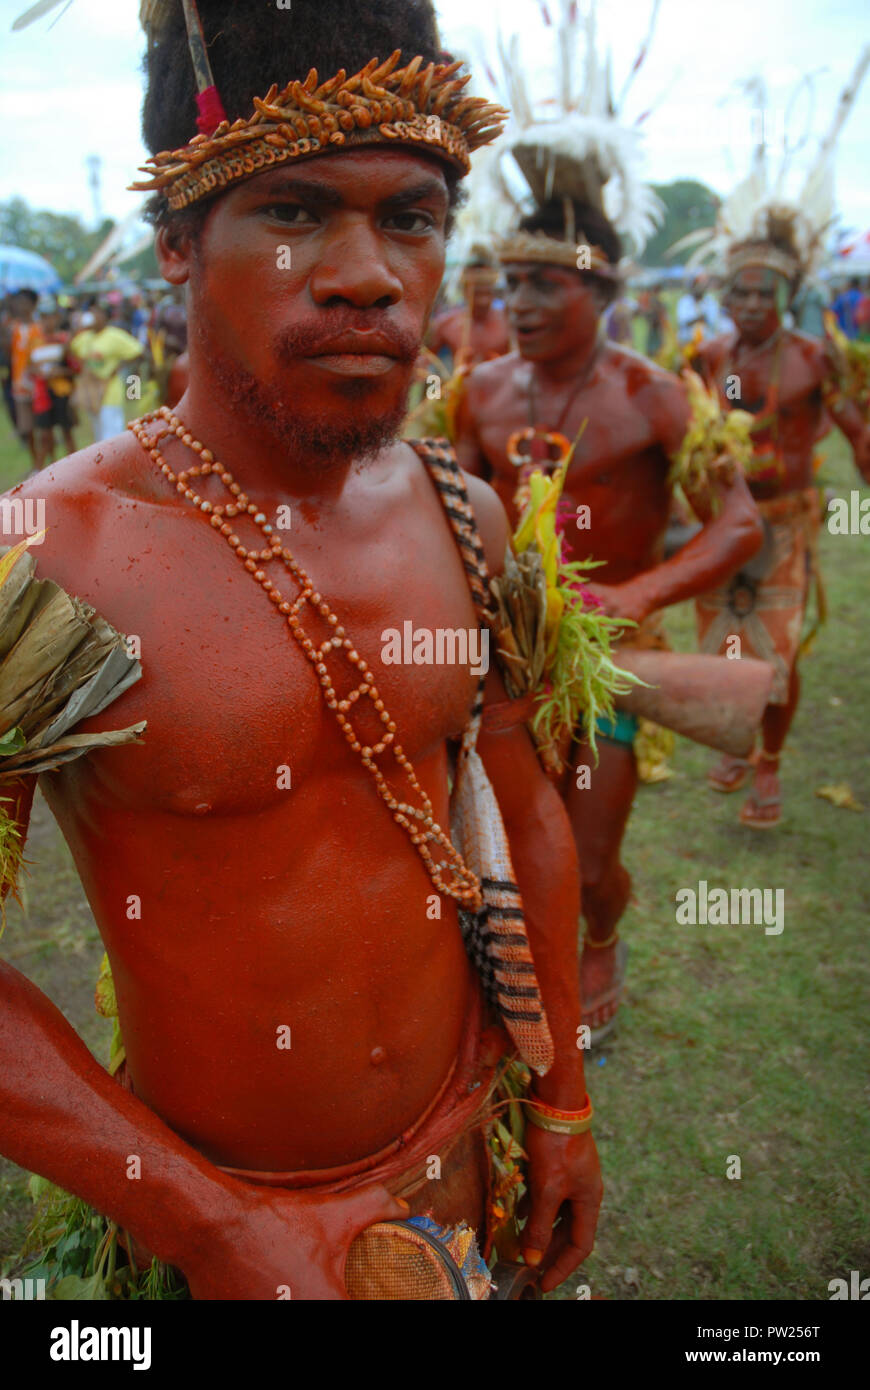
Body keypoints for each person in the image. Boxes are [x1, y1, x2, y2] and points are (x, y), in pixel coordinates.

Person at [0, 0, 601, 1301]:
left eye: (410, 218)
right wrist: (217, 1231)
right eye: (290, 212)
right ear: (174, 241)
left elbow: (523, 805)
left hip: (463, 1165)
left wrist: (557, 1101)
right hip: (220, 1230)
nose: (365, 273)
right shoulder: (45, 554)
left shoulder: (464, 510)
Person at [455, 196, 763, 1040]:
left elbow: (738, 524)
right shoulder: (477, 390)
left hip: (613, 660)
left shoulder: (656, 396)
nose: (519, 303)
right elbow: (449, 511)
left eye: (546, 284)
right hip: (503, 656)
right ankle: (517, 976)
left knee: (588, 864)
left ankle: (602, 936)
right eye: (513, 282)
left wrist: (636, 597)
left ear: (602, 293)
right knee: (501, 849)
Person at [691, 251, 870, 827]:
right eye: (739, 294)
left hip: (789, 521)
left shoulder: (814, 358)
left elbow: (856, 431)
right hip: (726, 524)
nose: (750, 305)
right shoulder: (714, 357)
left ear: (786, 298)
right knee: (726, 644)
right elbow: (690, 435)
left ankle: (768, 761)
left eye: (764, 295)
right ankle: (738, 741)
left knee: (778, 653)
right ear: (724, 299)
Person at [428, 249, 511, 370]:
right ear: (465, 290)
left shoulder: (510, 321)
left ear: (493, 289)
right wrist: (436, 388)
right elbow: (426, 366)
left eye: (486, 290)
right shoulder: (446, 324)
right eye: (476, 291)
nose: (482, 297)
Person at [70, 304, 143, 442]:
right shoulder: (83, 337)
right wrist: (77, 328)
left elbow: (138, 353)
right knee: (98, 433)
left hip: (110, 391)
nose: (94, 317)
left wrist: (118, 368)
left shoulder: (114, 335)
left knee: (112, 435)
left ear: (105, 317)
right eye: (92, 313)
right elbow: (70, 350)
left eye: (98, 314)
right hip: (92, 392)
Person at [30, 304, 79, 468]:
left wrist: (59, 371)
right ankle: (47, 470)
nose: (46, 322)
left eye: (49, 317)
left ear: (56, 318)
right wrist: (38, 372)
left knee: (66, 432)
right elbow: (30, 367)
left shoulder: (65, 340)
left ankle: (75, 468)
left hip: (62, 392)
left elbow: (75, 368)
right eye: (43, 318)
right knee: (45, 435)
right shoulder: (36, 341)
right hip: (43, 394)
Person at [4, 288, 41, 468]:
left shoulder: (39, 327)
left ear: (32, 305)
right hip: (20, 384)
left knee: (43, 427)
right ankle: (36, 465)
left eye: (23, 302)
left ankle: (44, 464)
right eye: (18, 303)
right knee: (28, 428)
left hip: (39, 384)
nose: (20, 306)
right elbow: (6, 350)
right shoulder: (13, 328)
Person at [676, 275, 720, 344]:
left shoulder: (710, 301)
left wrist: (703, 319)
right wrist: (698, 319)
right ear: (692, 286)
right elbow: (683, 322)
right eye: (697, 285)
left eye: (702, 286)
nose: (700, 288)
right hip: (688, 341)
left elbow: (713, 321)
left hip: (707, 341)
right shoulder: (684, 301)